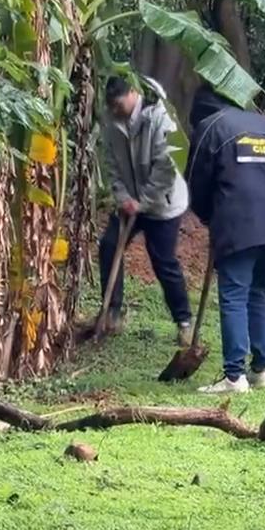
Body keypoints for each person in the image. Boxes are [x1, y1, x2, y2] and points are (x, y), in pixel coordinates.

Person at [186, 86, 265, 394]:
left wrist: (209, 216)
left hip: (240, 222)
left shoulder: (211, 127)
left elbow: (196, 180)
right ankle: (263, 368)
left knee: (234, 294)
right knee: (257, 291)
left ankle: (234, 375)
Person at [97, 75, 192, 343]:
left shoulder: (159, 117)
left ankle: (184, 322)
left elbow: (167, 168)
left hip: (163, 204)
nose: (114, 111)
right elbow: (112, 164)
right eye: (110, 106)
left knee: (163, 260)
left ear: (131, 95)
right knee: (109, 246)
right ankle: (111, 313)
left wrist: (144, 201)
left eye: (118, 104)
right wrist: (124, 197)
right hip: (130, 202)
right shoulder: (113, 122)